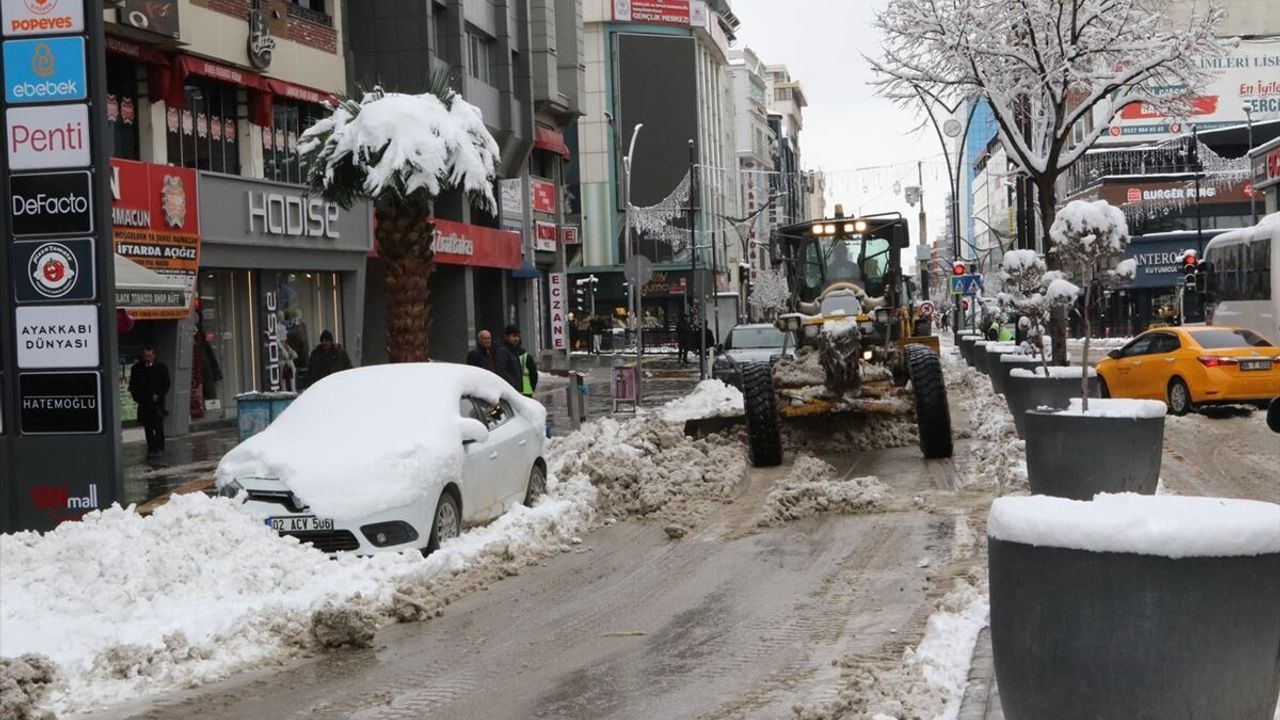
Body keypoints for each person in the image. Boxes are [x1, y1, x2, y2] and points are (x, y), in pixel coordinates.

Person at [129, 346, 171, 457]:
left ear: (154, 356)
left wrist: (159, 394)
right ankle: (151, 448)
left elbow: (166, 384)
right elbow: (133, 385)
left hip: (157, 403)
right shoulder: (136, 369)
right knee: (148, 427)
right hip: (144, 402)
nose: (147, 358)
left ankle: (159, 448)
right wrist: (137, 398)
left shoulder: (161, 368)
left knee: (158, 426)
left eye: (149, 356)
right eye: (145, 356)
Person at [496, 325, 538, 397]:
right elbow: (501, 371)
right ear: (506, 337)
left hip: (524, 391)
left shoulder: (520, 352)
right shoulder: (503, 351)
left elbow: (533, 372)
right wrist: (513, 385)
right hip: (512, 392)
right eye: (513, 336)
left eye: (518, 336)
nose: (516, 339)